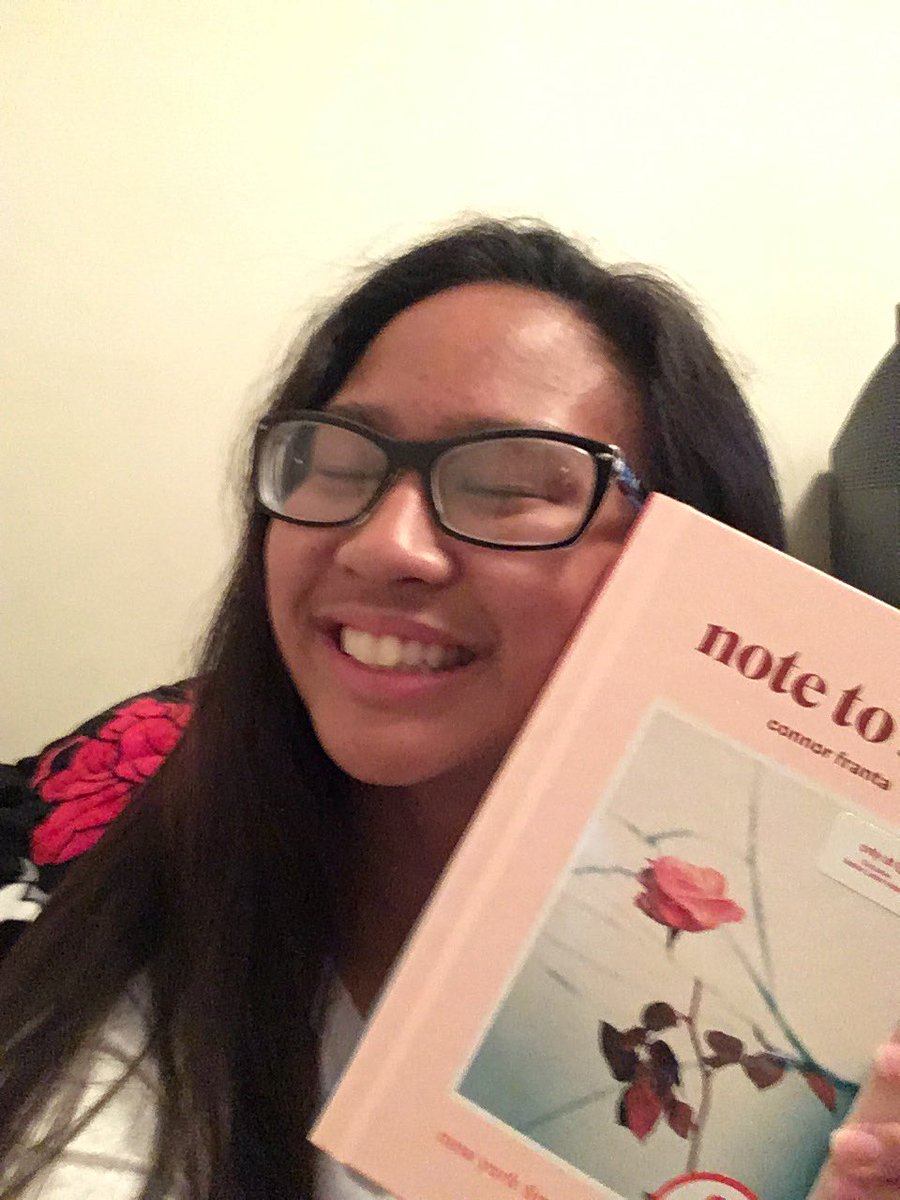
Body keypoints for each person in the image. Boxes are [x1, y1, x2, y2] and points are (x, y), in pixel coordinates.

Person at [0, 220, 895, 1200]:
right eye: (340, 463)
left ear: (689, 559)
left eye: (510, 485)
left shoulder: (796, 1026)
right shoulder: (110, 870)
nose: (386, 545)